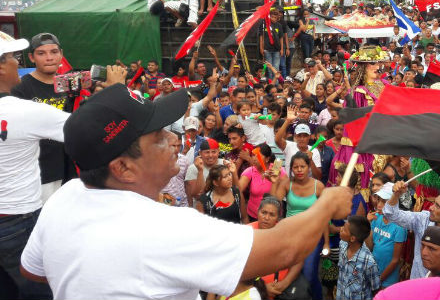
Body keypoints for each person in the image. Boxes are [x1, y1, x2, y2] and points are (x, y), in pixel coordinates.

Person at [20, 84, 353, 299]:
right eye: (158, 138)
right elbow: (283, 248)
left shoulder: (65, 197)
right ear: (123, 168)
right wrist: (326, 205)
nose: (172, 142)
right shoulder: (165, 227)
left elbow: (32, 271)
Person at [0, 33, 71, 299]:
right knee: (43, 292)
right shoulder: (21, 110)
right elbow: (87, 130)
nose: (17, 64)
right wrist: (114, 89)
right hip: (16, 219)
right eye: (12, 58)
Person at [11, 32, 76, 202]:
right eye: (42, 53)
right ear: (31, 57)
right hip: (37, 172)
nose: (49, 58)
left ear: (61, 54)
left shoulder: (68, 85)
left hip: (67, 168)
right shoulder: (20, 88)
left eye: (54, 52)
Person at [383, 184, 440, 279]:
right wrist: (396, 194)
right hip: (416, 288)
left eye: (437, 206)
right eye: (434, 203)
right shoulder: (423, 220)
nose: (431, 208)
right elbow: (390, 214)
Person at [329, 46, 389, 190]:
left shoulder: (384, 85)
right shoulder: (359, 91)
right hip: (367, 142)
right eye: (373, 63)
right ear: (363, 67)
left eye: (378, 63)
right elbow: (356, 121)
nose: (377, 66)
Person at [270, 152, 328, 300]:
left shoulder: (318, 186)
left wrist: (326, 243)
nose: (299, 170)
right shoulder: (286, 184)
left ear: (309, 167)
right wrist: (274, 182)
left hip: (312, 237)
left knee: (309, 273)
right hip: (289, 235)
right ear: (291, 169)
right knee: (289, 271)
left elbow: (325, 216)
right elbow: (273, 204)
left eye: (303, 166)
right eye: (296, 167)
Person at [250, 196, 305, 299]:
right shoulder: (247, 233)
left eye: (272, 215)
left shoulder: (286, 233)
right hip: (253, 290)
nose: (266, 218)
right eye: (264, 212)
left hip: (283, 290)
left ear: (278, 218)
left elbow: (299, 260)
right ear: (257, 212)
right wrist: (262, 288)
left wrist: (285, 283)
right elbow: (237, 269)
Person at [366, 183, 406, 288]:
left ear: (393, 203)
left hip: (388, 279)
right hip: (373, 272)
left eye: (384, 202)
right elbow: (370, 246)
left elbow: (395, 260)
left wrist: (379, 280)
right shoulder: (377, 218)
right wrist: (368, 225)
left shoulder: (399, 226)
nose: (378, 204)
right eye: (378, 200)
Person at [238, 144, 287, 221]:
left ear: (267, 159)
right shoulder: (250, 170)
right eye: (253, 155)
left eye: (258, 156)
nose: (254, 158)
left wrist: (275, 180)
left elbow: (287, 187)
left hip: (273, 216)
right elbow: (238, 190)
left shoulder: (276, 168)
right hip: (254, 216)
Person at [336, 215, 381, 300]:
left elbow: (375, 287)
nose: (341, 229)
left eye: (344, 229)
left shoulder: (369, 262)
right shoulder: (342, 245)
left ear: (352, 238)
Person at [275, 106, 322, 179]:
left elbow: (318, 177)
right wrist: (287, 121)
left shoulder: (314, 152)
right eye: (299, 136)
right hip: (290, 187)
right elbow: (277, 139)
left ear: (309, 137)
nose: (302, 139)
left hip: (307, 188)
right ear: (295, 136)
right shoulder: (289, 146)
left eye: (305, 136)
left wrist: (311, 161)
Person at [185, 138, 224, 207]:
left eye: (213, 152)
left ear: (218, 151)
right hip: (201, 209)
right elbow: (197, 196)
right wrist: (200, 171)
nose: (210, 155)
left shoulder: (225, 164)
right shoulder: (193, 168)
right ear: (200, 153)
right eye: (207, 152)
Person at [259, 10, 284, 80]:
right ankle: (270, 83)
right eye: (271, 16)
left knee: (276, 68)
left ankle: (275, 83)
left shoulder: (279, 26)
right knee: (269, 69)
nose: (273, 18)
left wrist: (282, 49)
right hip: (267, 49)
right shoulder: (264, 25)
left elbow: (281, 38)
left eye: (275, 17)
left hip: (276, 49)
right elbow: (261, 37)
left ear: (277, 18)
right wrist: (261, 48)